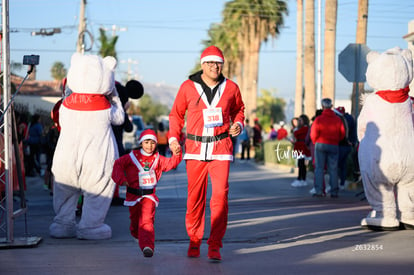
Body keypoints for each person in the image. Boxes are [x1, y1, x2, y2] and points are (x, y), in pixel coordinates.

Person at [168, 45, 245, 261]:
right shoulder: (187, 87)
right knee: (195, 199)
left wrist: (238, 124)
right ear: (202, 64)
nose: (215, 66)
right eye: (210, 62)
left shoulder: (231, 87)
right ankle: (194, 240)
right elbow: (175, 115)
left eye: (218, 63)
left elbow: (239, 109)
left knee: (220, 198)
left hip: (221, 149)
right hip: (194, 150)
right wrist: (174, 139)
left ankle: (215, 245)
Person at [111, 129, 182, 257]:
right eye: (146, 142)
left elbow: (171, 163)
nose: (149, 146)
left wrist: (177, 154)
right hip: (133, 196)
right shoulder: (131, 157)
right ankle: (136, 234)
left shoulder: (158, 159)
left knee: (147, 220)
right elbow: (118, 165)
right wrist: (121, 179)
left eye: (152, 143)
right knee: (135, 222)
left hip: (149, 196)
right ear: (141, 143)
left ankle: (147, 246)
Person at [310, 98, 345, 198]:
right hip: (334, 145)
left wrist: (315, 141)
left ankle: (319, 191)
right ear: (331, 106)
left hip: (320, 144)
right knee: (333, 169)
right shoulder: (338, 119)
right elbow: (342, 133)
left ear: (322, 107)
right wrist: (336, 140)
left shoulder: (319, 119)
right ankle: (334, 191)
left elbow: (313, 134)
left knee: (319, 168)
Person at [291, 114, 311, 187]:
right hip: (299, 146)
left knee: (301, 164)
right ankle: (301, 179)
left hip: (302, 146)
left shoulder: (305, 128)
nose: (299, 122)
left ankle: (301, 179)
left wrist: (295, 130)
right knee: (301, 164)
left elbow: (296, 134)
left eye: (300, 120)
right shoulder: (301, 128)